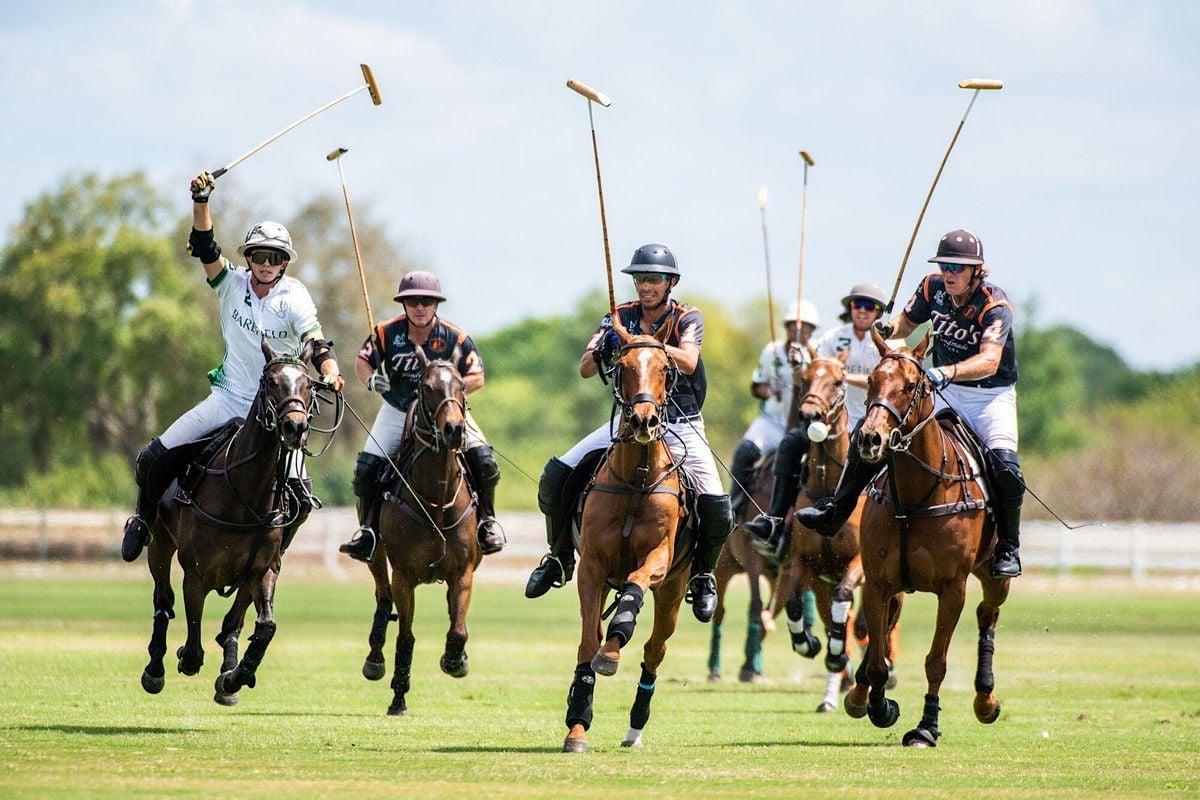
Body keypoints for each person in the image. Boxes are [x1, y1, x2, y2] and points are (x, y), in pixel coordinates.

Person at [121, 172, 345, 563]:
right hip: (228, 399)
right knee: (152, 457)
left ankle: (269, 555)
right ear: (248, 258)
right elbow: (206, 247)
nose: (265, 264)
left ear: (284, 263)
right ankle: (142, 520)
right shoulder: (231, 284)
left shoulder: (295, 296)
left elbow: (315, 340)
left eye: (274, 257)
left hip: (274, 413)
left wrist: (329, 368)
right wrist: (201, 200)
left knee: (302, 497)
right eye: (259, 255)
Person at [524, 244, 734, 622]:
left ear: (670, 282)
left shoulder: (688, 317)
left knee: (717, 504)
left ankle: (702, 576)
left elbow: (687, 360)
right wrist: (605, 346)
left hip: (680, 424)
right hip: (626, 423)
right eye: (639, 278)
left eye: (653, 278)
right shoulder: (618, 316)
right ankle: (557, 557)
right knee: (556, 475)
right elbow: (586, 369)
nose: (645, 285)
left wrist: (639, 345)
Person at [797, 229, 1024, 578]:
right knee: (870, 432)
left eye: (958, 267)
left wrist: (944, 371)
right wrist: (889, 330)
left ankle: (1008, 546)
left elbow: (990, 360)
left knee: (1006, 467)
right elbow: (903, 326)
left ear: (977, 271)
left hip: (988, 396)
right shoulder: (932, 288)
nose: (949, 273)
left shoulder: (994, 305)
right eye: (945, 265)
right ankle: (835, 513)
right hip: (942, 388)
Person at [338, 271, 504, 562]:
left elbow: (477, 376)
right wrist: (371, 379)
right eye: (413, 301)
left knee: (485, 460)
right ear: (404, 304)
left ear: (435, 305)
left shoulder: (456, 337)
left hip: (444, 412)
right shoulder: (385, 332)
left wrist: (450, 390)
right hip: (398, 409)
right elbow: (362, 361)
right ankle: (367, 532)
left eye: (426, 301)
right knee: (366, 467)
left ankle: (486, 522)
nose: (420, 307)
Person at [729, 300, 821, 514]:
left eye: (804, 328)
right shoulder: (772, 351)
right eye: (793, 327)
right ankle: (734, 506)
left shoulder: (817, 354)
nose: (798, 332)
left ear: (812, 330)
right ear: (786, 328)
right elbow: (757, 386)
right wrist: (770, 390)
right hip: (770, 421)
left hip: (802, 426)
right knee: (743, 452)